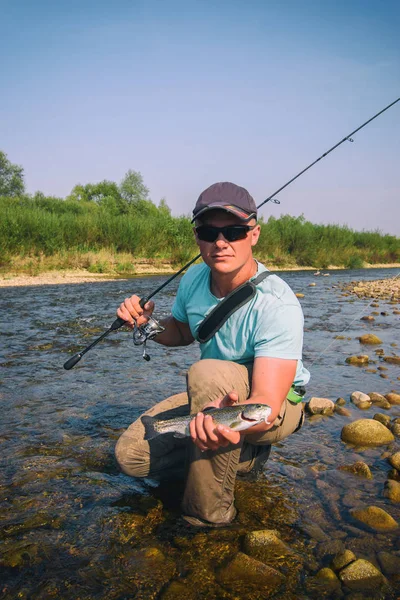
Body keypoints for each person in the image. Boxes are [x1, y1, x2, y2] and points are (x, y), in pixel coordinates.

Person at [115, 181, 310, 527]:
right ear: (197, 237)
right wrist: (147, 324)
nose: (220, 242)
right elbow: (184, 331)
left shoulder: (278, 305)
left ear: (254, 235)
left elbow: (266, 405)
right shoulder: (194, 278)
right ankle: (242, 459)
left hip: (276, 404)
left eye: (234, 231)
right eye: (209, 232)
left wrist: (225, 422)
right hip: (216, 397)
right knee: (130, 457)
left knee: (206, 374)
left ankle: (207, 518)